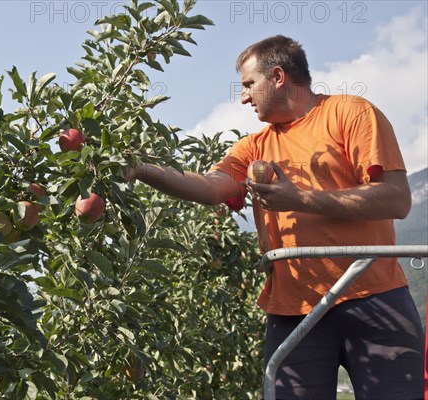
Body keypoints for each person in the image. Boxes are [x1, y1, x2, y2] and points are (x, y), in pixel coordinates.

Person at [125, 35, 424, 399]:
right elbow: (209, 187)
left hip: (374, 297)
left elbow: (396, 199)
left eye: (249, 85)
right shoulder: (254, 147)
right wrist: (140, 169)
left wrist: (299, 199)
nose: (244, 97)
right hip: (294, 309)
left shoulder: (350, 113)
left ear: (278, 76)